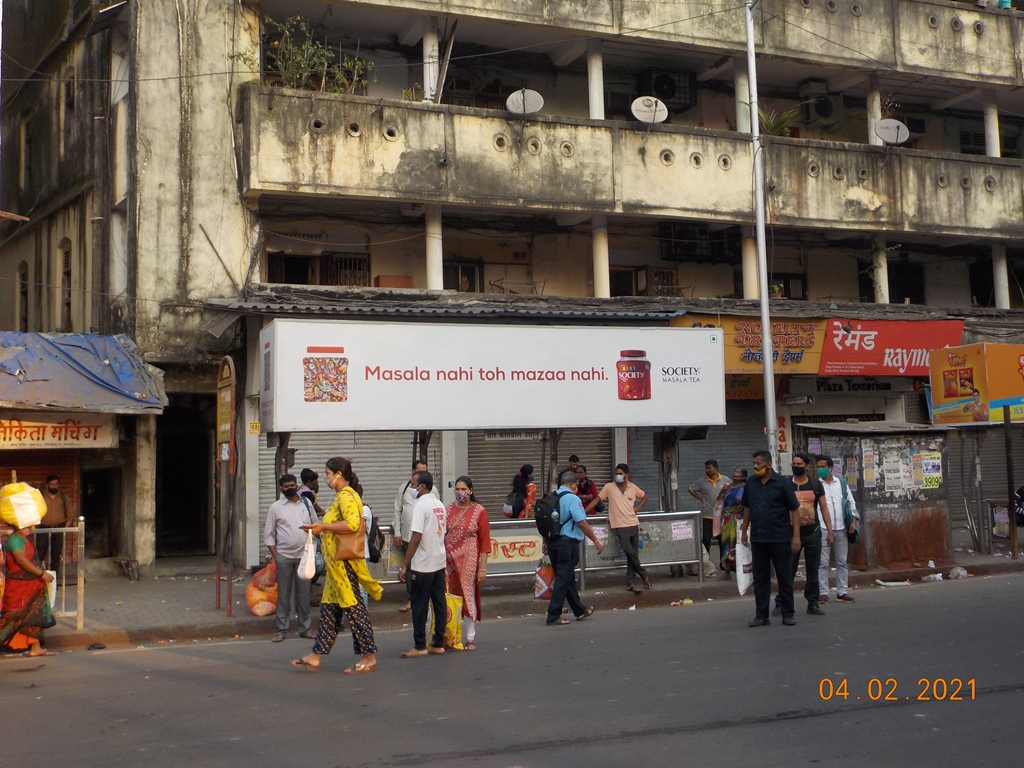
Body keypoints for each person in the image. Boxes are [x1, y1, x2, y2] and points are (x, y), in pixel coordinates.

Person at [291, 457, 382, 674]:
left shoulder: (347, 496)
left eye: (327, 473)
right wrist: (320, 527)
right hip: (335, 568)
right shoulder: (340, 496)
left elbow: (351, 524)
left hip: (345, 564)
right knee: (330, 611)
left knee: (354, 609)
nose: (326, 478)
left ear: (338, 475)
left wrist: (324, 527)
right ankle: (315, 655)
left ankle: (368, 656)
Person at [741, 450, 801, 627]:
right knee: (760, 579)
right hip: (758, 538)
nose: (755, 467)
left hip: (780, 538)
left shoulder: (782, 483)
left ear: (768, 464)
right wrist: (744, 531)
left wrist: (796, 536)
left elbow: (795, 510)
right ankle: (761, 615)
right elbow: (746, 508)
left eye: (758, 464)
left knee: (784, 577)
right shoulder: (751, 482)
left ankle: (788, 613)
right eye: (754, 464)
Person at [775, 452, 833, 617]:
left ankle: (812, 603)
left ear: (807, 466)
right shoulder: (786, 484)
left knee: (813, 569)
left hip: (813, 532)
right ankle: (781, 603)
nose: (796, 466)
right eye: (794, 464)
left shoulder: (815, 485)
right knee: (788, 570)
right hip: (791, 534)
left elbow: (824, 508)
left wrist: (829, 531)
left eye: (800, 464)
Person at [264, 473, 319, 642]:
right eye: (286, 486)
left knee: (304, 595)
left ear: (297, 485)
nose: (290, 488)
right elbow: (269, 535)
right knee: (284, 594)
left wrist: (314, 549)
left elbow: (316, 526)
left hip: (304, 557)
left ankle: (306, 629)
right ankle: (281, 630)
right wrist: (277, 557)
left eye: (292, 485)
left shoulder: (306, 503)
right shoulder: (276, 507)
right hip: (284, 558)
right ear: (281, 488)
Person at [399, 470, 448, 657]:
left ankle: (419, 645)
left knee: (419, 605)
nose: (410, 487)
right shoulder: (439, 504)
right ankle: (438, 643)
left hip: (423, 564)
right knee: (439, 603)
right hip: (438, 561)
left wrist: (405, 564)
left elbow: (416, 536)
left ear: (421, 486)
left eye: (412, 484)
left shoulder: (420, 505)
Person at [547, 469, 603, 625]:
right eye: (576, 485)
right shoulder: (572, 498)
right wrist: (596, 540)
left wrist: (545, 543)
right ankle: (553, 615)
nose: (577, 487)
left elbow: (547, 523)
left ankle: (579, 610)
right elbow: (582, 522)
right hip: (566, 544)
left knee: (567, 578)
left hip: (553, 543)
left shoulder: (553, 497)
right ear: (572, 484)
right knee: (563, 580)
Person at [587, 463, 649, 593]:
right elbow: (597, 500)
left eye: (620, 473)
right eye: (616, 473)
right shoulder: (609, 487)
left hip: (633, 523)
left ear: (626, 475)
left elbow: (645, 496)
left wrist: (637, 508)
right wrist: (584, 511)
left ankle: (630, 583)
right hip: (620, 526)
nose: (618, 476)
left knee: (633, 554)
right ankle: (643, 574)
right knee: (629, 552)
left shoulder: (632, 487)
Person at [445, 476, 491, 651]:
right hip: (448, 561)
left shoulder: (479, 511)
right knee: (449, 597)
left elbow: (485, 542)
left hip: (469, 561)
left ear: (471, 491)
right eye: (457, 489)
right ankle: (451, 635)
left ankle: (470, 638)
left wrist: (482, 568)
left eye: (464, 489)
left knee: (468, 595)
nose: (460, 492)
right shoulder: (448, 510)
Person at [1, 521, 57, 656]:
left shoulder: (21, 539)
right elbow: (21, 560)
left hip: (31, 584)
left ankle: (35, 647)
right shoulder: (15, 540)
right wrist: (42, 574)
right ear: (18, 525)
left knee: (32, 616)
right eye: (26, 525)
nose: (30, 528)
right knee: (15, 616)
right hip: (19, 585)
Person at [393, 458, 437, 612]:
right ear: (412, 472)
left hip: (425, 540)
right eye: (419, 471)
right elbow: (397, 510)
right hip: (407, 536)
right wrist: (397, 532)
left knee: (426, 571)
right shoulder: (404, 489)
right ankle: (411, 599)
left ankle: (426, 600)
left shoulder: (433, 493)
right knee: (411, 571)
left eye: (425, 471)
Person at [815, 455, 859, 604]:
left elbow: (851, 503)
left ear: (830, 468)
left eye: (823, 466)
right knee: (822, 563)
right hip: (822, 529)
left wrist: (853, 521)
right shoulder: (816, 485)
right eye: (818, 467)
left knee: (841, 562)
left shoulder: (841, 484)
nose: (820, 469)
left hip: (841, 528)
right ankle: (823, 593)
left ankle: (842, 592)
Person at [689, 460, 728, 569]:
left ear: (715, 468)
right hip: (708, 515)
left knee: (722, 540)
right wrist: (702, 499)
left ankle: (723, 563)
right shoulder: (702, 481)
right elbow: (691, 489)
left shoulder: (725, 479)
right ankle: (706, 564)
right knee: (706, 540)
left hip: (721, 516)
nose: (707, 470)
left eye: (709, 468)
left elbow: (730, 490)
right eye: (706, 468)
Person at [38, 474, 73, 581]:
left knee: (55, 556)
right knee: (39, 555)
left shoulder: (63, 497)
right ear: (47, 485)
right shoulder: (41, 497)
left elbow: (70, 515)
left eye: (56, 484)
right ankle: (38, 580)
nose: (54, 486)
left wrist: (64, 529)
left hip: (59, 529)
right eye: (52, 484)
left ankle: (53, 581)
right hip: (43, 529)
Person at [715, 467, 748, 577]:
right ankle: (727, 569)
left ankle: (739, 570)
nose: (735, 473)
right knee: (725, 542)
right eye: (735, 471)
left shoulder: (745, 488)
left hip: (739, 518)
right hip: (727, 519)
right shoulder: (728, 487)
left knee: (736, 543)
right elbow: (719, 500)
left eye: (738, 472)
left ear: (743, 477)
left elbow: (747, 504)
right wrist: (722, 491)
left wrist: (741, 502)